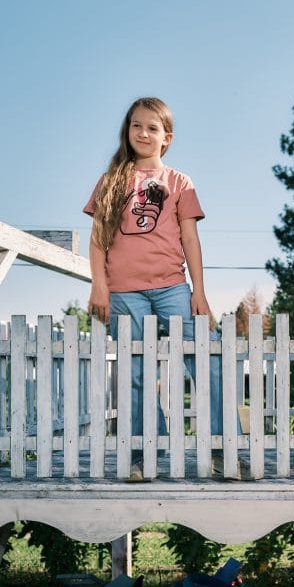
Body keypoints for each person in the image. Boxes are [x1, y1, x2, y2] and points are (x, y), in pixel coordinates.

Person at [85, 96, 224, 481]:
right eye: (137, 126)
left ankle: (221, 449)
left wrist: (199, 291)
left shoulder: (180, 182)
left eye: (152, 128)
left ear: (167, 138)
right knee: (135, 373)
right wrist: (99, 286)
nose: (143, 133)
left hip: (172, 287)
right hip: (124, 292)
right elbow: (97, 241)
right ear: (127, 131)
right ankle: (142, 455)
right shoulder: (111, 181)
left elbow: (190, 239)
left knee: (207, 359)